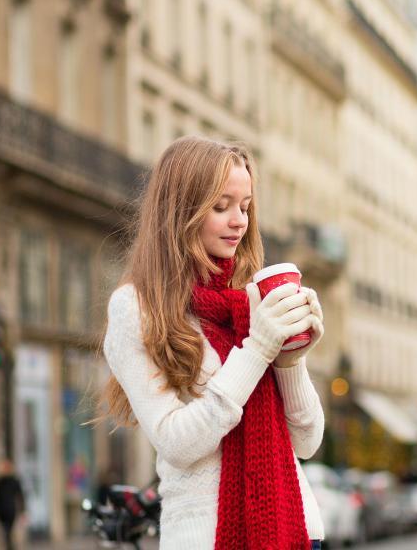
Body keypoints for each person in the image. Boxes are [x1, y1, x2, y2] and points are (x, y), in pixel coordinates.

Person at [99, 137, 326, 549]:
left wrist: (292, 359)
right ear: (180, 211)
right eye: (221, 206)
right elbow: (178, 443)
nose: (239, 221)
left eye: (245, 206)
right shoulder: (136, 309)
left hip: (295, 531)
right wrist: (258, 349)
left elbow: (308, 443)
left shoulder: (251, 298)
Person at [0, 458, 25, 550]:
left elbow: (20, 496)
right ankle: (9, 546)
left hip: (11, 510)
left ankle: (9, 546)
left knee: (8, 531)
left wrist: (23, 510)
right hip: (1, 510)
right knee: (5, 531)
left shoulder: (14, 481)